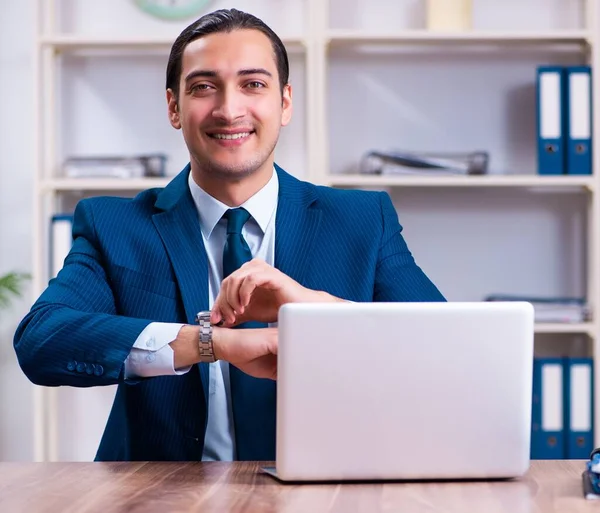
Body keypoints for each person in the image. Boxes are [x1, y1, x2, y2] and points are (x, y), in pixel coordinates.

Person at [13, 8, 445, 462]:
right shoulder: (115, 224)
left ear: (285, 102)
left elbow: (443, 352)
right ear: (174, 108)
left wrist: (313, 307)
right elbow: (42, 340)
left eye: (253, 84)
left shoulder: (360, 220)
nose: (229, 109)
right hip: (162, 497)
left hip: (328, 492)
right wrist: (210, 343)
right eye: (203, 87)